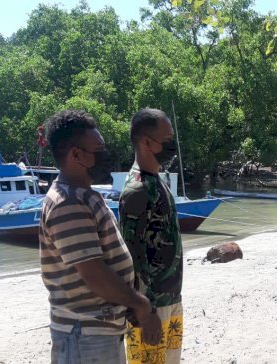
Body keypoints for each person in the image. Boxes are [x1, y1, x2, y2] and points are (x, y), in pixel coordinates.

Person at [40, 110, 162, 364]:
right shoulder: (69, 203)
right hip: (85, 335)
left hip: (96, 331)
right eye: (98, 149)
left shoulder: (83, 196)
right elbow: (93, 273)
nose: (105, 156)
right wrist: (140, 305)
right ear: (76, 154)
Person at [119, 108, 183, 364]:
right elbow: (132, 259)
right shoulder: (137, 190)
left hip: (171, 300)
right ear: (147, 142)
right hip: (151, 311)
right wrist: (146, 313)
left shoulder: (156, 181)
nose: (172, 145)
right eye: (167, 140)